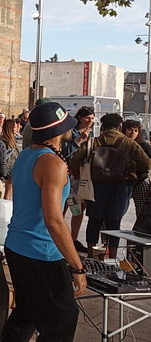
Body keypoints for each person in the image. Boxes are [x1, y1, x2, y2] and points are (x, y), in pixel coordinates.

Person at [3, 102, 85, 342]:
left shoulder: (28, 154)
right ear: (58, 130)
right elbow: (54, 221)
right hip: (41, 253)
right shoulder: (52, 163)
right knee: (61, 321)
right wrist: (77, 266)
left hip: (18, 245)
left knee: (26, 314)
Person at [70, 113, 151, 259]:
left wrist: (79, 175)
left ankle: (92, 255)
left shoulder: (93, 142)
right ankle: (112, 257)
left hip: (96, 187)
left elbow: (75, 159)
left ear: (103, 127)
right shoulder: (128, 143)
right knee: (114, 222)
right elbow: (145, 163)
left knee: (94, 221)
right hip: (120, 187)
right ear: (119, 127)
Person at [60, 106, 95, 254]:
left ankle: (73, 239)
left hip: (81, 176)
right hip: (66, 174)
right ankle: (59, 237)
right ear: (80, 118)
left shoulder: (90, 133)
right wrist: (79, 140)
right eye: (88, 118)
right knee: (62, 206)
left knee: (78, 208)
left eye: (92, 118)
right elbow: (64, 151)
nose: (90, 121)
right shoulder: (70, 132)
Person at [122, 119, 151, 220]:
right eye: (129, 130)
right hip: (123, 182)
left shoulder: (144, 146)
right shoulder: (119, 144)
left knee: (143, 212)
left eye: (135, 130)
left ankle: (142, 235)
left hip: (140, 181)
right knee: (118, 211)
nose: (132, 133)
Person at [0, 118, 20, 199]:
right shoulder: (6, 142)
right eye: (15, 127)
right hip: (9, 171)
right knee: (8, 191)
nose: (17, 129)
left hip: (11, 169)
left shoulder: (10, 141)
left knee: (9, 191)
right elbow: (9, 159)